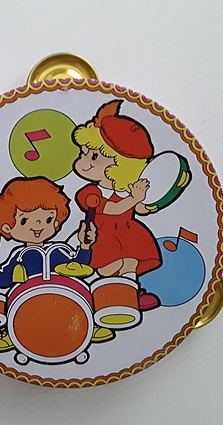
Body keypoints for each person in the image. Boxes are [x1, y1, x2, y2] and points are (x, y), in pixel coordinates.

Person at [0, 177, 111, 351]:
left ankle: (88, 324)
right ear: (7, 227)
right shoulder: (20, 258)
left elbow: (79, 265)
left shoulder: (59, 251)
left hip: (69, 306)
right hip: (27, 310)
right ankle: (12, 331)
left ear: (57, 222)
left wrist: (85, 245)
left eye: (48, 219)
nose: (38, 225)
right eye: (24, 220)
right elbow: (3, 279)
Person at [73, 100, 162, 311]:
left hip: (128, 234)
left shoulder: (126, 192)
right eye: (84, 154)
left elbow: (136, 209)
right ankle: (104, 297)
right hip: (101, 237)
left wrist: (147, 205)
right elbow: (113, 209)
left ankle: (130, 295)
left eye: (94, 156)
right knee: (107, 268)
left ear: (120, 165)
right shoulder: (90, 193)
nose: (83, 162)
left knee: (130, 262)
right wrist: (134, 199)